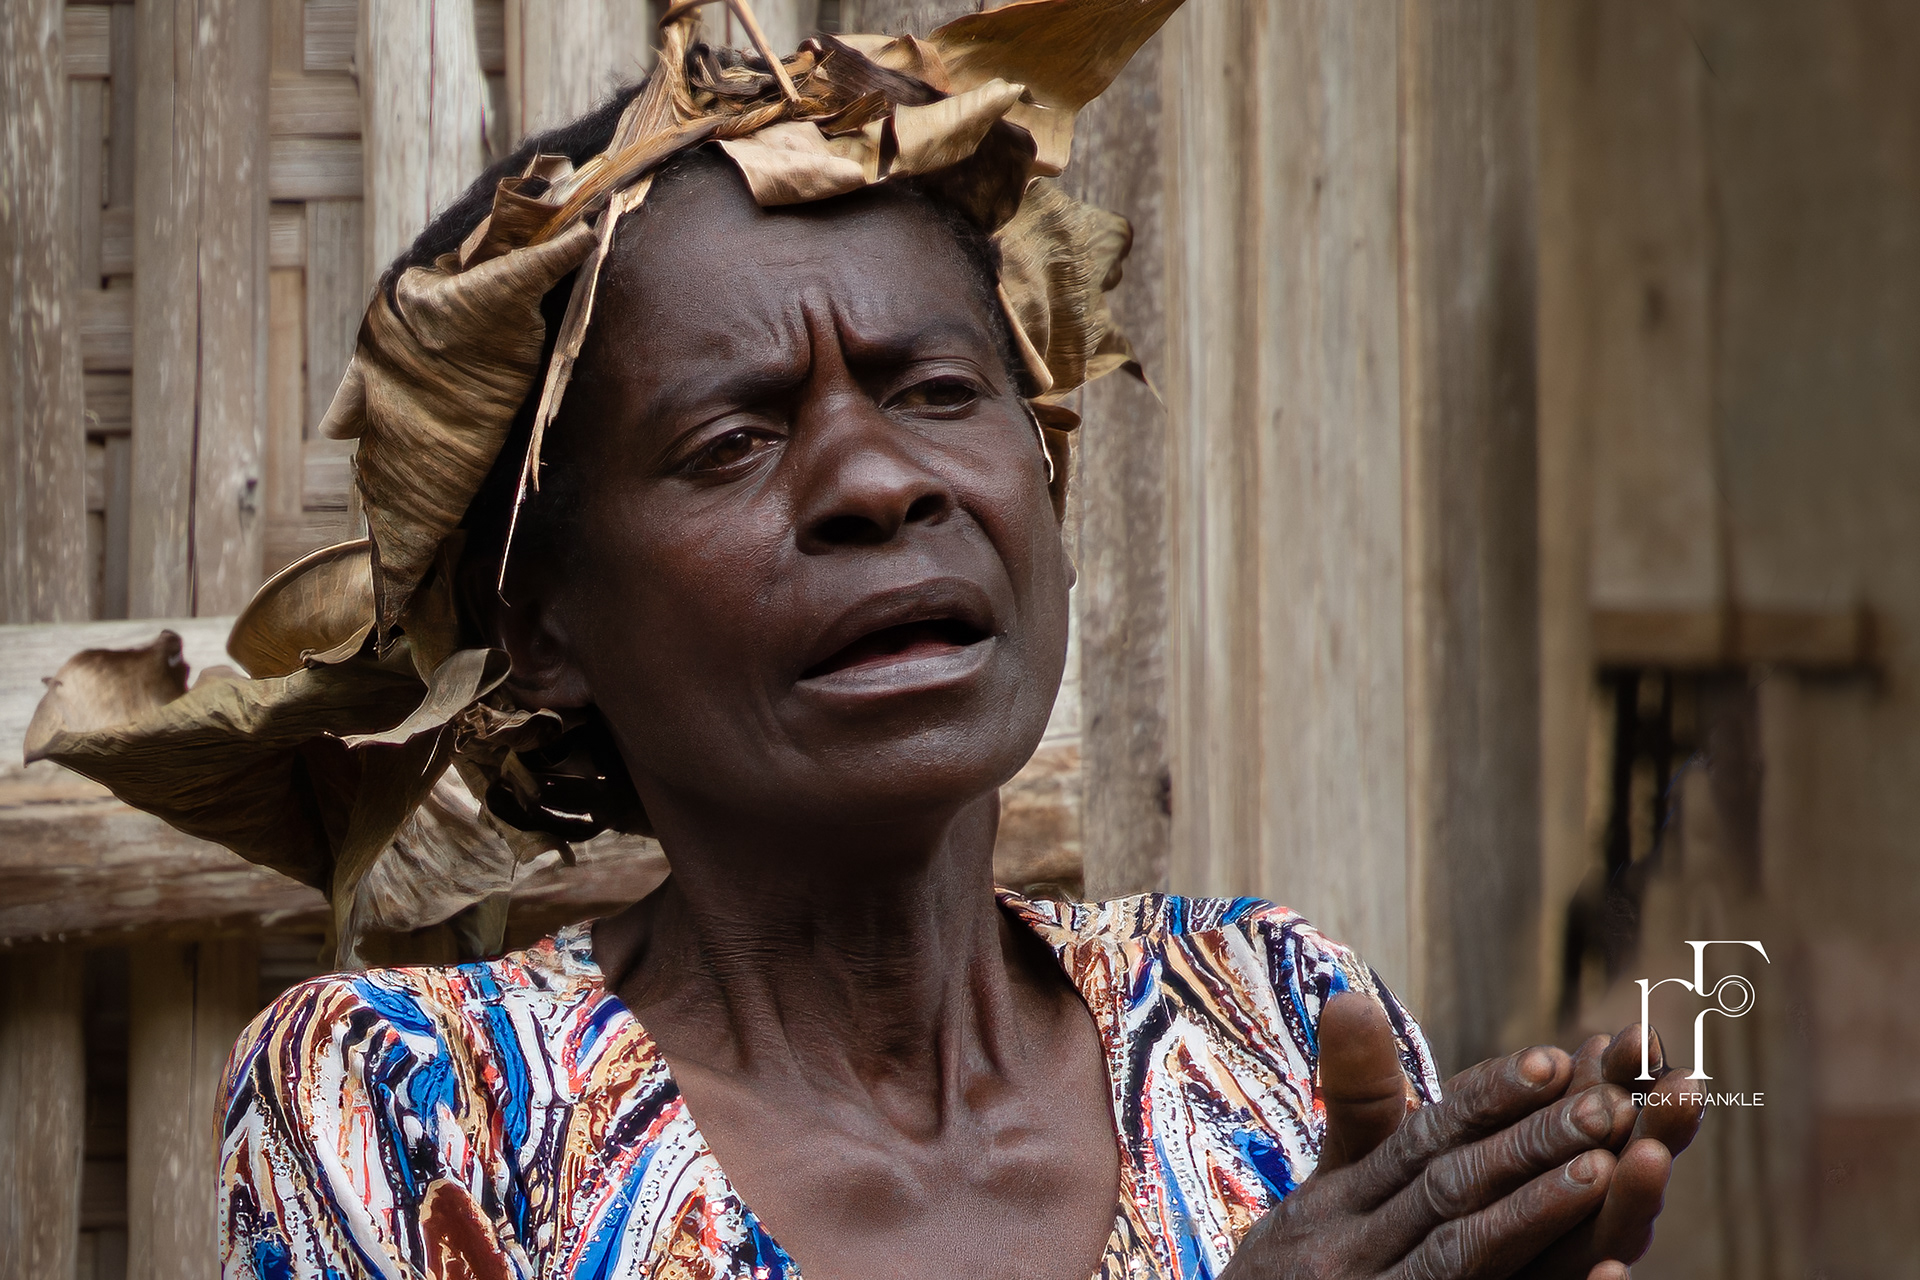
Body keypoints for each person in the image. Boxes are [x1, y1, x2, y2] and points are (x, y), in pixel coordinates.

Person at [30, 2, 1702, 1276]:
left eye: (938, 391)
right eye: (733, 441)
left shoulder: (1261, 1015)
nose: (877, 481)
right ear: (543, 631)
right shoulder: (413, 1110)